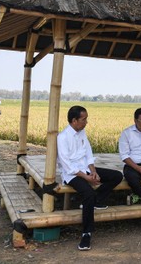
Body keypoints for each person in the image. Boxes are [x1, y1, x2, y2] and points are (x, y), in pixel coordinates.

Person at [57, 105, 123, 251]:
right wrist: (87, 178)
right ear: (74, 120)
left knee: (117, 176)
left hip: (86, 170)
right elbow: (67, 166)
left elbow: (88, 154)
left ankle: (97, 200)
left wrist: (93, 172)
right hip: (72, 174)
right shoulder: (62, 138)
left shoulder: (82, 132)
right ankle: (86, 233)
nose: (86, 122)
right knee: (88, 193)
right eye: (84, 119)